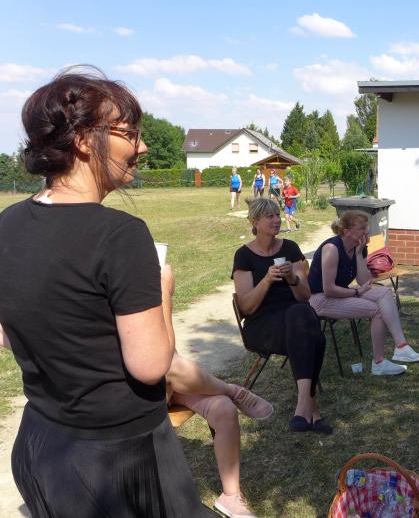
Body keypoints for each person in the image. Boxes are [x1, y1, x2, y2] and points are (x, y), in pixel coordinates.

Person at [0, 67, 215, 516]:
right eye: (130, 132)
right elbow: (150, 366)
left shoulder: (9, 222)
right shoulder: (120, 234)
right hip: (117, 458)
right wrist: (165, 291)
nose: (143, 146)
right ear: (83, 139)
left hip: (42, 445)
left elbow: (7, 333)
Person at [232, 197, 331, 434]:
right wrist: (267, 279)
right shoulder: (244, 255)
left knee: (301, 314)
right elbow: (246, 307)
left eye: (278, 214)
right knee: (315, 337)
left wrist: (292, 278)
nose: (277, 220)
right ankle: (312, 410)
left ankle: (302, 407)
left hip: (296, 320)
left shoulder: (290, 249)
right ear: (255, 222)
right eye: (270, 216)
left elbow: (305, 296)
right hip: (262, 326)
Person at [308, 210, 419, 376]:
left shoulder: (358, 247)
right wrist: (356, 292)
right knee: (377, 311)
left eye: (367, 227)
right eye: (362, 228)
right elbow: (328, 289)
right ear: (346, 231)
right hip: (320, 299)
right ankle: (379, 363)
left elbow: (364, 281)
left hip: (340, 293)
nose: (367, 232)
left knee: (384, 292)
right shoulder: (331, 248)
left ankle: (401, 346)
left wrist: (358, 254)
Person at [167, 351, 272, 518]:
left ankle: (231, 496)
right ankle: (232, 390)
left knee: (223, 408)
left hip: (167, 383)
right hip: (133, 398)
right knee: (170, 366)